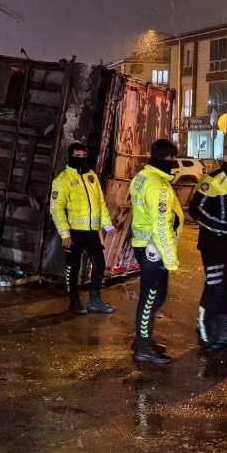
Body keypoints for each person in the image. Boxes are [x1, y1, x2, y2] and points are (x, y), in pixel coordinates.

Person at [188, 142, 227, 349]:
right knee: (214, 287)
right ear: (225, 157)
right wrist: (222, 228)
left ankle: (222, 331)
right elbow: (196, 209)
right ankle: (205, 333)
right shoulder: (212, 180)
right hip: (213, 244)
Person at [128, 138, 183, 364]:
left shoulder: (143, 177)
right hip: (154, 249)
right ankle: (142, 346)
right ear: (168, 159)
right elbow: (160, 226)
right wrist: (171, 260)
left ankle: (143, 339)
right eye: (173, 160)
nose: (174, 164)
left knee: (155, 296)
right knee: (150, 298)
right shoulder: (158, 185)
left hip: (146, 247)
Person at [50, 142, 116, 315]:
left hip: (92, 232)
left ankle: (95, 301)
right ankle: (74, 302)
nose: (81, 158)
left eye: (83, 155)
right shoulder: (62, 180)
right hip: (74, 233)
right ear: (70, 156)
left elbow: (100, 202)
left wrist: (107, 225)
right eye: (77, 156)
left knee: (100, 265)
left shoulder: (91, 176)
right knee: (73, 268)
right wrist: (65, 234)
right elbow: (56, 209)